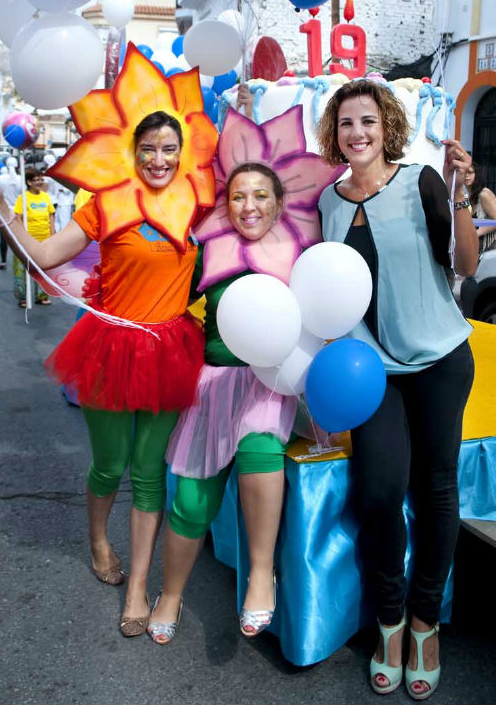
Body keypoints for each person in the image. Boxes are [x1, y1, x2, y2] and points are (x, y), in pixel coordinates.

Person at [0, 106, 213, 639]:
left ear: (182, 154)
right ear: (134, 152)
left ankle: (137, 588)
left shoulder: (197, 203)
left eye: (169, 149)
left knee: (150, 474)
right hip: (109, 349)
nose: (158, 159)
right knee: (110, 465)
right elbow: (41, 253)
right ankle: (99, 539)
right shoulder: (106, 205)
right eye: (148, 148)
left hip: (169, 350)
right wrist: (3, 208)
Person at [147, 106, 339, 645]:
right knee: (191, 501)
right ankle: (171, 593)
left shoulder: (301, 258)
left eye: (260, 196)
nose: (248, 205)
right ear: (224, 204)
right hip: (213, 385)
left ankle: (261, 575)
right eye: (237, 196)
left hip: (267, 385)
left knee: (260, 451)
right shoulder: (209, 251)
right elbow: (169, 307)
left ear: (279, 204)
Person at [316, 79, 478, 700]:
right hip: (371, 371)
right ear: (334, 134)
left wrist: (463, 193)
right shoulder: (328, 204)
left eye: (368, 122)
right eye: (346, 124)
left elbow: (464, 266)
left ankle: (424, 623)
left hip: (440, 359)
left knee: (436, 490)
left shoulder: (420, 182)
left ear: (387, 128)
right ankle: (389, 620)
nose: (357, 134)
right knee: (381, 491)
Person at [13, 169, 55, 307]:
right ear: (29, 182)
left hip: (44, 239)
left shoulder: (45, 196)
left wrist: (52, 232)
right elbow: (18, 217)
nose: (39, 182)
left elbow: (51, 215)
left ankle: (42, 296)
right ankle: (23, 297)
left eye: (41, 179)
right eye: (36, 180)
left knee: (43, 269)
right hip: (27, 239)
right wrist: (22, 235)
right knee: (22, 269)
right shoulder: (23, 197)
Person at [464, 162, 496, 255]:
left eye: (470, 172)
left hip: (495, 244)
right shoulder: (468, 196)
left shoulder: (484, 194)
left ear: (477, 175)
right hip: (481, 246)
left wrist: (476, 233)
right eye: (463, 173)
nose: (466, 175)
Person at [0, 163, 20, 269]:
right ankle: (20, 260)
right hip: (18, 209)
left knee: (4, 237)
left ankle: (3, 261)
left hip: (5, 210)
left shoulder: (0, 179)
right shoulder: (19, 178)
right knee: (19, 237)